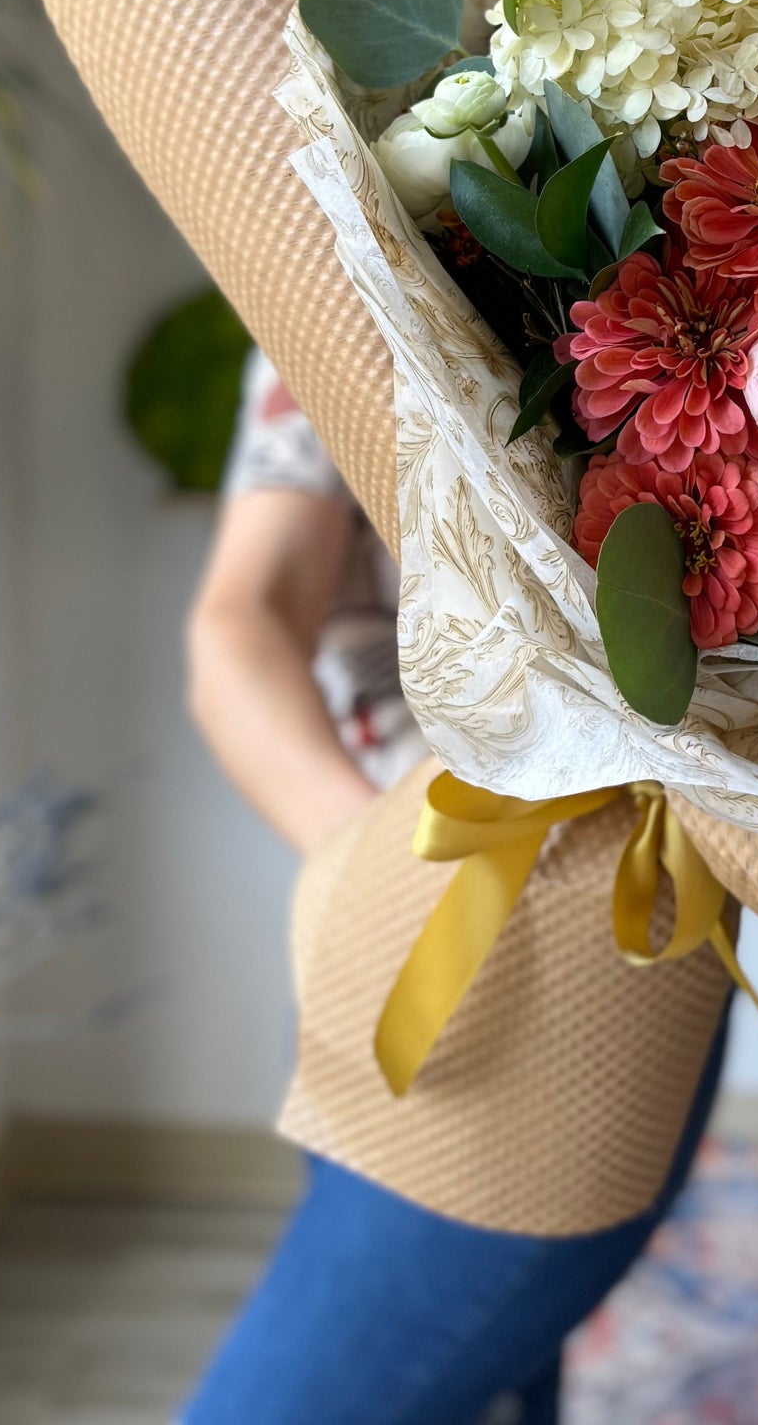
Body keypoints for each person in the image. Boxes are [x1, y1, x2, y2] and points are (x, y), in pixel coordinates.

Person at [180, 353, 727, 1425]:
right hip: (401, 918)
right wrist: (367, 867)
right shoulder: (348, 236)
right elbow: (240, 621)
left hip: (615, 964)